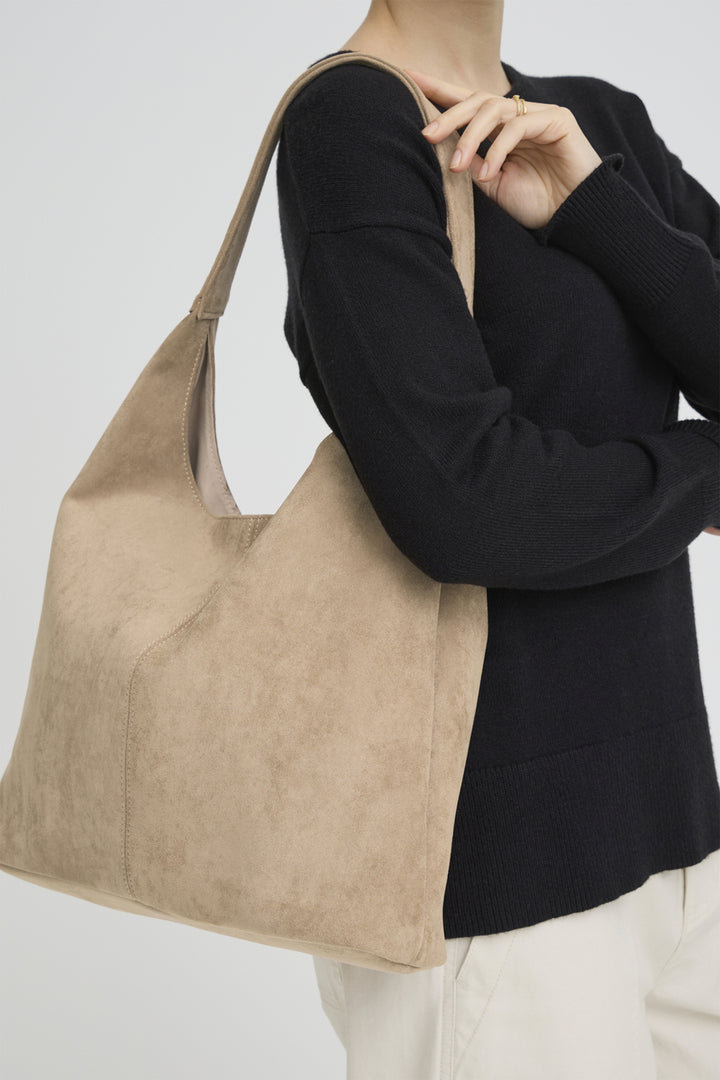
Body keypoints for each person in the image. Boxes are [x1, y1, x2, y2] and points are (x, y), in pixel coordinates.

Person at [275, 1, 720, 1076]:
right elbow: (466, 503)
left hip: (679, 833)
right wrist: (708, 474)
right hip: (498, 882)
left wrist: (590, 206)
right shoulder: (354, 125)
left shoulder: (601, 121)